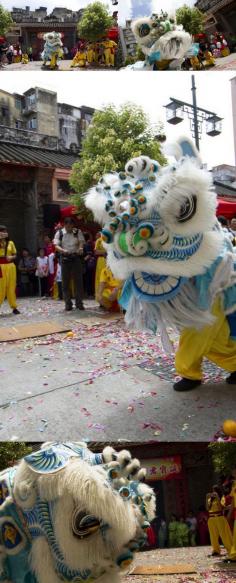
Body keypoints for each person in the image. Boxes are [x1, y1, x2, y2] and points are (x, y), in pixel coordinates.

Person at [54, 217, 85, 311]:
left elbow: (81, 242)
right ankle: (68, 303)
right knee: (65, 283)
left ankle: (79, 303)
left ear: (73, 225)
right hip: (65, 258)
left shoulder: (77, 232)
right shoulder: (59, 233)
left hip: (75, 258)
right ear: (64, 225)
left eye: (71, 225)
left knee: (78, 282)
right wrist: (63, 250)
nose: (69, 227)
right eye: (67, 225)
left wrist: (80, 248)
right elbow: (56, 246)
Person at [206, 485, 232, 557]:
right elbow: (207, 509)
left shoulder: (221, 497)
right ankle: (216, 550)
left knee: (224, 534)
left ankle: (230, 549)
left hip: (219, 518)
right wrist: (206, 498)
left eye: (215, 490)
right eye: (212, 490)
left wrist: (217, 497)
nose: (213, 492)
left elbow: (221, 508)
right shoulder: (210, 499)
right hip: (211, 518)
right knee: (213, 536)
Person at [0, 225, 20, 314]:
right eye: (3, 231)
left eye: (6, 231)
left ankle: (14, 307)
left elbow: (15, 255)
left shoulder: (11, 243)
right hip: (0, 266)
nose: (5, 233)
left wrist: (11, 257)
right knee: (1, 288)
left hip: (11, 266)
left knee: (11, 287)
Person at [94, 233, 107, 304]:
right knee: (100, 279)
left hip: (110, 261)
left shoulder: (111, 239)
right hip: (101, 261)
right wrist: (106, 251)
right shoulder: (99, 240)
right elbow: (96, 252)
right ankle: (100, 298)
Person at [83, 233, 96, 298]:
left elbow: (89, 254)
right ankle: (88, 293)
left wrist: (83, 260)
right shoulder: (87, 244)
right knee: (88, 278)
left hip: (88, 264)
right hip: (87, 264)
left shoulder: (87, 245)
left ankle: (90, 293)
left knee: (89, 279)